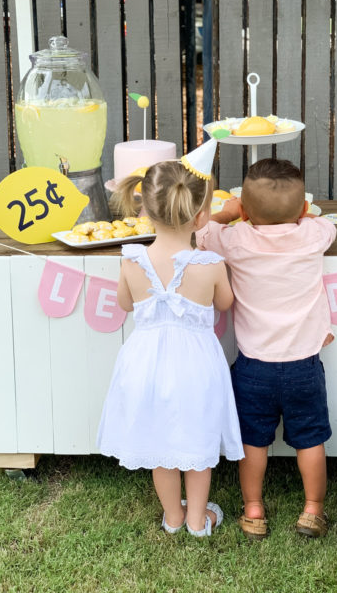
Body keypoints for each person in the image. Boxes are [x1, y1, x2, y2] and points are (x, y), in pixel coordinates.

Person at [97, 147, 244, 537]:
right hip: (196, 365)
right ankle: (198, 520)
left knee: (159, 443)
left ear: (145, 210)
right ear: (201, 217)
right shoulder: (210, 264)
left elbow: (125, 303)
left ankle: (173, 517)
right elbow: (225, 303)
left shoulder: (131, 259)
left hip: (146, 364)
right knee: (197, 441)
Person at [195, 158, 337, 538]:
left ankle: (254, 510)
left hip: (254, 366)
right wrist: (303, 216)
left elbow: (202, 231)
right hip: (303, 365)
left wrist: (227, 213)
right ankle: (313, 509)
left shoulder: (235, 238)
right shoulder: (313, 234)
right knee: (310, 440)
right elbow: (329, 226)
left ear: (244, 210)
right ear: (304, 210)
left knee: (252, 441)